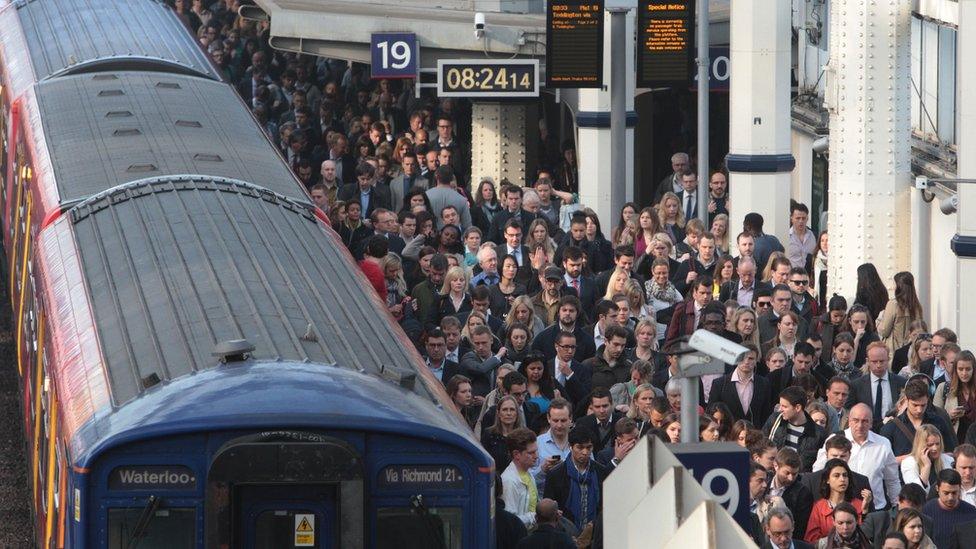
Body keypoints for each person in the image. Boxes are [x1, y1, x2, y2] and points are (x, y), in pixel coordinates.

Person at [543, 426, 610, 533]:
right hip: (565, 534)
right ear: (571, 446)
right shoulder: (556, 474)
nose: (585, 452)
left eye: (589, 447)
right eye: (580, 447)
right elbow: (549, 509)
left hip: (595, 533)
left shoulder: (601, 471)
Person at [880, 377, 957, 460]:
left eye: (923, 405)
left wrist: (935, 455)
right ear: (906, 400)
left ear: (928, 400)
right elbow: (884, 461)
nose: (919, 410)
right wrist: (913, 458)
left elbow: (952, 453)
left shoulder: (938, 422)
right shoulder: (891, 427)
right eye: (915, 405)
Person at [804, 459, 871, 543]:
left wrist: (865, 511)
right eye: (836, 475)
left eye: (845, 475)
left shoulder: (859, 505)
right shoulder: (819, 507)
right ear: (827, 480)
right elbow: (811, 539)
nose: (842, 479)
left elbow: (866, 537)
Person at [765, 386, 827, 471]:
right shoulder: (775, 420)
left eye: (785, 406)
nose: (780, 409)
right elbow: (762, 445)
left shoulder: (818, 433)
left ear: (797, 407)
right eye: (780, 405)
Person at [848, 342, 907, 432]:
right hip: (866, 431)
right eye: (874, 362)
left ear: (888, 359)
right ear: (867, 361)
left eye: (882, 361)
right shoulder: (857, 385)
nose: (878, 365)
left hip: (893, 430)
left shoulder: (901, 383)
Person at [708, 343, 773, 424]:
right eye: (743, 357)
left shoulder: (764, 383)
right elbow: (711, 413)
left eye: (751, 358)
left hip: (754, 433)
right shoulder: (719, 384)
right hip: (728, 433)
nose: (746, 362)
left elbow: (766, 413)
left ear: (756, 361)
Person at [921, 469, 976, 549]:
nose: (950, 498)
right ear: (937, 489)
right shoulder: (927, 511)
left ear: (960, 489)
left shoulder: (971, 512)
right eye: (946, 493)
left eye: (954, 493)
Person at [531, 398, 573, 493]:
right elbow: (528, 480)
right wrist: (543, 470)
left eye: (563, 420)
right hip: (545, 501)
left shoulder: (579, 443)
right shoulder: (537, 444)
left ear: (570, 419)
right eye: (555, 420)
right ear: (548, 419)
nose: (559, 425)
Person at [501, 428, 541, 527]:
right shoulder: (509, 481)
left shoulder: (528, 473)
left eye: (536, 451)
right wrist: (537, 516)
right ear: (516, 454)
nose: (536, 456)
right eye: (531, 453)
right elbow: (510, 521)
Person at [879, 272, 924, 354]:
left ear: (898, 286)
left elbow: (884, 331)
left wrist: (878, 321)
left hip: (894, 349)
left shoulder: (893, 304)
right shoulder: (917, 306)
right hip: (912, 349)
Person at [936, 350, 976, 441]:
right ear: (955, 369)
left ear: (974, 369)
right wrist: (949, 415)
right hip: (955, 441)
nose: (964, 373)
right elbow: (934, 418)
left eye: (968, 369)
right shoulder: (944, 388)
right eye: (960, 369)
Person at [900, 424, 953, 491]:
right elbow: (915, 492)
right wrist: (927, 466)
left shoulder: (948, 460)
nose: (935, 448)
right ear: (920, 445)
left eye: (937, 444)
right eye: (930, 445)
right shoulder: (909, 462)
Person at [460, 325, 507, 397]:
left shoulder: (502, 361)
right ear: (472, 342)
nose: (480, 347)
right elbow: (481, 369)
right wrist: (498, 355)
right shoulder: (468, 358)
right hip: (475, 405)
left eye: (484, 343)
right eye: (477, 343)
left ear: (491, 340)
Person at [482, 395, 526, 472]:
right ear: (498, 413)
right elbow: (483, 461)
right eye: (505, 410)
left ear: (517, 413)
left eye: (512, 410)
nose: (508, 413)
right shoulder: (489, 434)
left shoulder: (524, 436)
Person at [575, 387, 625, 453]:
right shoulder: (583, 424)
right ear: (592, 407)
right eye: (597, 407)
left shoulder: (622, 421)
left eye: (605, 406)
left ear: (612, 404)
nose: (601, 410)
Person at [585, 325, 631, 392]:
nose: (619, 349)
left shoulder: (628, 367)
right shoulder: (589, 365)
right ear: (606, 341)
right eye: (616, 344)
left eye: (623, 345)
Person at [425, 165, 471, 229]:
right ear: (452, 178)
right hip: (453, 236)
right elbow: (467, 226)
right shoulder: (461, 199)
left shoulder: (426, 195)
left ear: (436, 176)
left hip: (432, 235)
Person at [788, 202, 817, 270]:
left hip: (809, 276)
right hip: (791, 276)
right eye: (798, 218)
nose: (801, 221)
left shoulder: (813, 236)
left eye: (803, 218)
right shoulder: (787, 236)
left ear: (807, 218)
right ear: (791, 218)